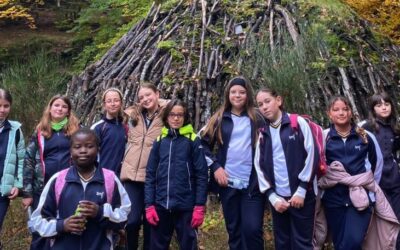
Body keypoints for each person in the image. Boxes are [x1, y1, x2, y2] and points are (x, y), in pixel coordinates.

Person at [29, 128, 131, 249]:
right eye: (77, 147)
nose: (83, 151)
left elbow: (125, 216)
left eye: (89, 146)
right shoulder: (58, 180)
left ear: (98, 149)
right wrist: (62, 225)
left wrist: (100, 212)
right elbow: (37, 221)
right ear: (70, 151)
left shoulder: (110, 179)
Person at [200, 76, 266, 250]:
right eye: (233, 92)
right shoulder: (220, 118)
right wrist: (215, 167)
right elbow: (201, 145)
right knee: (234, 230)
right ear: (228, 94)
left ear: (248, 95)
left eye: (242, 92)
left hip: (253, 184)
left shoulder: (258, 117)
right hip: (227, 183)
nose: (237, 95)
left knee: (252, 229)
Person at [254, 88, 317, 249]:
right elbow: (259, 166)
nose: (264, 107)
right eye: (260, 104)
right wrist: (272, 196)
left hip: (302, 197)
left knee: (302, 243)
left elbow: (312, 154)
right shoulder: (263, 133)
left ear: (279, 100)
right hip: (278, 199)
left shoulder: (297, 123)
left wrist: (302, 189)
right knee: (282, 243)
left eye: (267, 101)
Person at [320, 95, 383, 249]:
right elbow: (318, 166)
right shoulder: (323, 137)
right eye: (336, 110)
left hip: (360, 199)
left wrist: (369, 189)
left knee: (353, 241)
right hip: (333, 199)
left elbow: (377, 165)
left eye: (345, 109)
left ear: (350, 113)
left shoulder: (365, 137)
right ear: (329, 113)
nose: (341, 113)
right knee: (340, 242)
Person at [144, 99, 208, 250]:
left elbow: (202, 175)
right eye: (172, 114)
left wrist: (199, 206)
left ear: (185, 117)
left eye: (180, 115)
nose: (176, 118)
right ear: (166, 117)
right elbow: (150, 175)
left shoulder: (193, 140)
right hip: (161, 205)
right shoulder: (159, 141)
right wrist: (149, 205)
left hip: (186, 207)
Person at [22, 94, 80, 249]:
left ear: (68, 111)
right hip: (42, 187)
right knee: (40, 225)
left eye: (64, 106)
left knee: (65, 223)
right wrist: (27, 193)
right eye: (56, 105)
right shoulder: (40, 131)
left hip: (68, 186)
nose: (60, 109)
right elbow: (28, 160)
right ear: (50, 108)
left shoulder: (75, 130)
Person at [120, 83, 168, 250]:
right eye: (141, 97)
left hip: (154, 177)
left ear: (157, 94)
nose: (145, 99)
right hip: (131, 176)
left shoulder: (168, 114)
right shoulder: (132, 115)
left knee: (151, 222)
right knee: (131, 221)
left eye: (148, 95)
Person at [362, 92, 400, 249]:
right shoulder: (365, 127)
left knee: (397, 219)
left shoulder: (396, 126)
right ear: (373, 108)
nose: (384, 108)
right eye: (379, 105)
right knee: (383, 222)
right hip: (376, 183)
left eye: (387, 104)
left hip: (395, 181)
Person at [0, 89, 25, 247]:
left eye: (6, 106)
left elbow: (21, 160)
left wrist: (17, 184)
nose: (2, 110)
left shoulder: (15, 130)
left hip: (3, 190)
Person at [91, 88, 127, 176]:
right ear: (104, 104)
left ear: (121, 103)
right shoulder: (98, 128)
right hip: (101, 176)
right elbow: (90, 155)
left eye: (116, 100)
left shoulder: (125, 128)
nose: (113, 104)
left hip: (119, 177)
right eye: (109, 101)